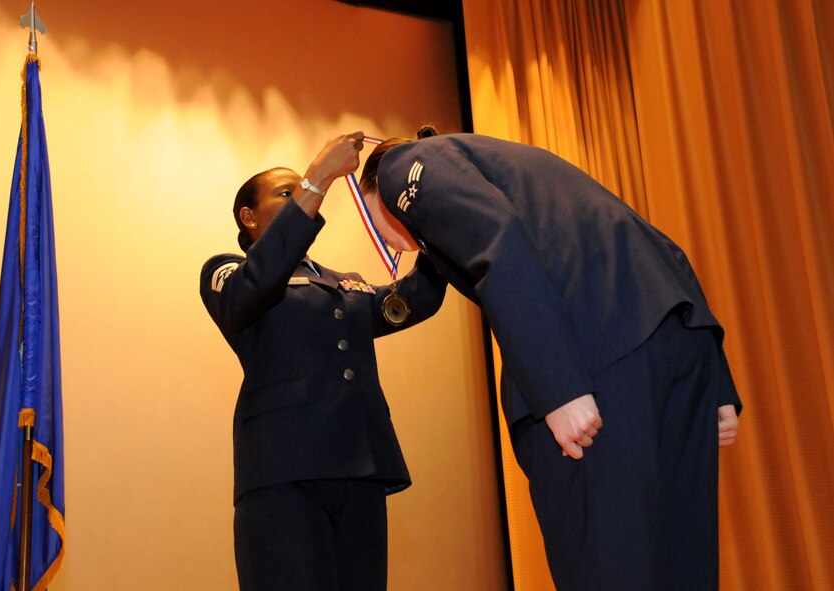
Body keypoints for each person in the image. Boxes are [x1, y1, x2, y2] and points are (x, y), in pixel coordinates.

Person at [358, 127, 741, 590]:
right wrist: (718, 384)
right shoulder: (519, 170)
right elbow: (657, 241)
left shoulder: (404, 167)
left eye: (374, 222)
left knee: (608, 568)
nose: (396, 244)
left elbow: (495, 241)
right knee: (684, 564)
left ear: (377, 188)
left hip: (595, 362)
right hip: (676, 338)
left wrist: (558, 388)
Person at [199, 132, 446, 591]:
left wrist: (435, 218)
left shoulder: (343, 282)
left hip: (361, 470)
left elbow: (407, 304)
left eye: (300, 190)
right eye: (286, 193)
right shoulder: (226, 270)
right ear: (248, 217)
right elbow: (246, 296)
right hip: (283, 474)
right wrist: (318, 178)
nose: (300, 197)